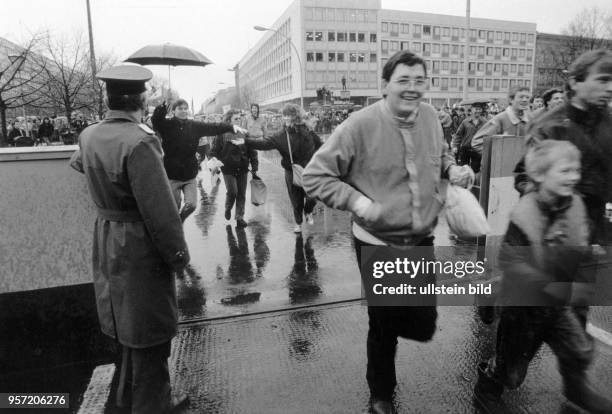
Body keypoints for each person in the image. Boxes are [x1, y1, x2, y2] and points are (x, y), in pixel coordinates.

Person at [302, 50, 473, 414]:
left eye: (419, 81)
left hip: (421, 237)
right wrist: (361, 204)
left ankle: (392, 321)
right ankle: (381, 394)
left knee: (423, 324)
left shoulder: (430, 116)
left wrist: (453, 170)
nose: (412, 89)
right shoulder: (358, 125)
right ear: (385, 85)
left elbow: (440, 155)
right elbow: (315, 177)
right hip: (377, 241)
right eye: (403, 81)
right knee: (383, 325)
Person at [69, 64, 190, 414]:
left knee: (124, 325)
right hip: (138, 244)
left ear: (110, 97)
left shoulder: (90, 134)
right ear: (142, 98)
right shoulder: (141, 140)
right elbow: (161, 212)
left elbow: (81, 164)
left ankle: (126, 398)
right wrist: (178, 255)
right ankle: (153, 405)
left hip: (107, 235)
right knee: (150, 329)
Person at [474, 140, 612, 414]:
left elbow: (578, 241)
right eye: (564, 171)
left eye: (575, 170)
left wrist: (588, 252)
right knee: (510, 373)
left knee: (580, 350)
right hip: (522, 309)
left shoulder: (574, 205)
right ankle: (486, 387)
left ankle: (575, 387)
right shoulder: (526, 213)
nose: (573, 176)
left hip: (557, 303)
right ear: (539, 175)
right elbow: (511, 260)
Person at [515, 49, 612, 245]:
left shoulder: (608, 122)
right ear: (575, 82)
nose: (610, 88)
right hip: (560, 236)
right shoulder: (550, 126)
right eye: (602, 80)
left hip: (603, 234)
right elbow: (527, 179)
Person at [152, 99, 247, 222]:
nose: (183, 111)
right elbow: (156, 121)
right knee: (173, 208)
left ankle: (179, 220)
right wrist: (162, 108)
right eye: (180, 108)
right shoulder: (167, 125)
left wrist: (231, 126)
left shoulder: (194, 126)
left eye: (185, 108)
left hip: (189, 174)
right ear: (174, 111)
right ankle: (175, 224)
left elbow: (214, 127)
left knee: (191, 205)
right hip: (172, 175)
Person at [245, 103, 322, 233]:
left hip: (310, 170)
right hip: (291, 171)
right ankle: (298, 223)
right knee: (296, 199)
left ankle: (308, 211)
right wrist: (246, 142)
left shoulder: (307, 130)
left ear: (296, 116)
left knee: (313, 196)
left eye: (289, 115)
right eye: (284, 115)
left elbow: (320, 145)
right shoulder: (281, 135)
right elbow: (264, 144)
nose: (286, 118)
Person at [210, 109, 258, 228]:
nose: (239, 120)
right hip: (228, 169)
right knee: (233, 192)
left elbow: (252, 150)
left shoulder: (245, 133)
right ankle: (228, 208)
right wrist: (214, 162)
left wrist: (255, 166)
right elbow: (214, 151)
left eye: (239, 118)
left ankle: (239, 217)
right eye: (236, 118)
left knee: (241, 194)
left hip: (242, 168)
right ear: (229, 120)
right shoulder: (221, 134)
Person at [470, 86, 532, 172]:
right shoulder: (500, 119)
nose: (525, 100)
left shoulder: (531, 119)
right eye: (521, 97)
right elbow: (477, 142)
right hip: (499, 172)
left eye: (527, 97)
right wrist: (499, 154)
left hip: (522, 171)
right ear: (511, 100)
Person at [451, 103, 487, 169]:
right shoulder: (465, 122)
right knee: (464, 169)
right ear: (472, 110)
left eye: (479, 109)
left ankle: (474, 179)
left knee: (476, 169)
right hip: (465, 148)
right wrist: (455, 146)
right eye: (476, 109)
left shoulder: (485, 122)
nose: (478, 111)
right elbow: (458, 135)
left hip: (477, 149)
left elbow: (488, 134)